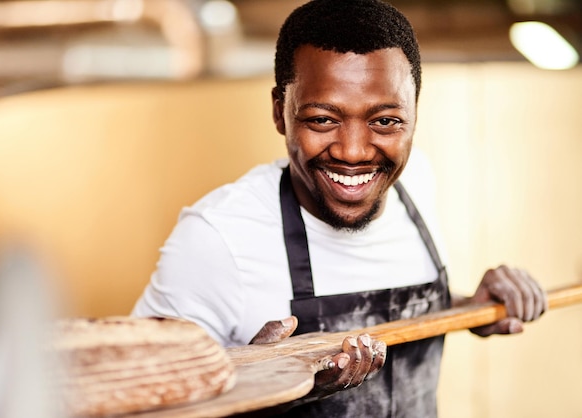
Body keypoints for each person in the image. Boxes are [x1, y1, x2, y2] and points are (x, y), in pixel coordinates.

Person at [132, 0, 547, 416]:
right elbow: (140, 400)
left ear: (415, 112)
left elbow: (396, 305)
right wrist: (251, 384)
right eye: (322, 119)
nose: (353, 152)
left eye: (385, 121)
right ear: (280, 111)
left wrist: (471, 308)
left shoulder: (417, 180)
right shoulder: (217, 237)